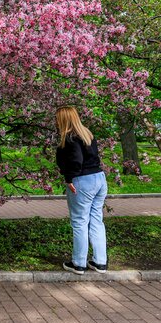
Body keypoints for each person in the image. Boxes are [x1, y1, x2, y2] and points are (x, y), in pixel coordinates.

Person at [55, 106, 108, 275]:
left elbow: (76, 160)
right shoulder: (87, 134)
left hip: (82, 181)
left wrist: (69, 178)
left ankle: (79, 263)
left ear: (63, 119)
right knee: (96, 220)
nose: (56, 122)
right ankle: (100, 262)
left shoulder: (70, 137)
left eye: (58, 118)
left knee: (79, 222)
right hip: (99, 178)